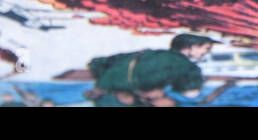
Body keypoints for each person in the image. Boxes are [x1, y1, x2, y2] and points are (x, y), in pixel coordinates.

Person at [85, 34, 222, 107]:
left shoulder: (145, 53)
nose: (207, 53)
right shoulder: (187, 66)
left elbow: (96, 63)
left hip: (102, 99)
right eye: (206, 48)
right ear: (190, 48)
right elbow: (191, 95)